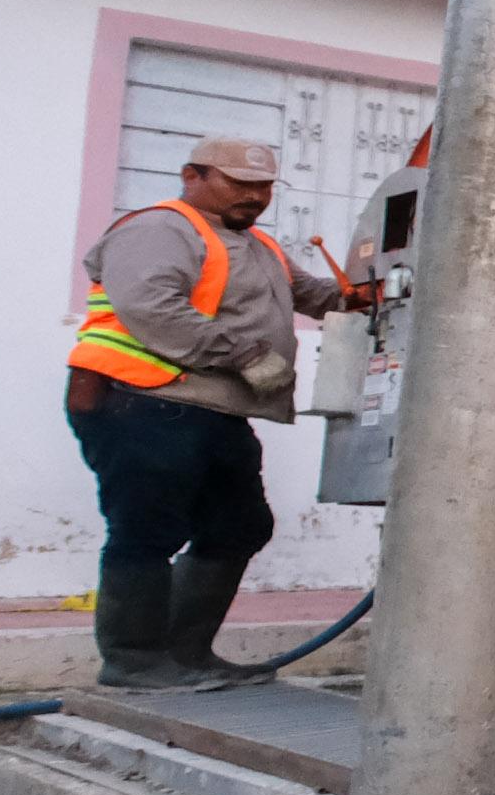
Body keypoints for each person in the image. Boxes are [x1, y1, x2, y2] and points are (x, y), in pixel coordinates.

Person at [66, 135, 359, 690]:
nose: (255, 195)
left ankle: (185, 655)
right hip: (143, 399)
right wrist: (245, 355)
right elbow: (153, 306)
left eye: (264, 186)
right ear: (192, 176)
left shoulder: (257, 246)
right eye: (240, 183)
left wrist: (362, 293)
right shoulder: (159, 228)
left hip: (211, 410)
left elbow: (310, 292)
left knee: (240, 525)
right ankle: (132, 661)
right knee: (147, 529)